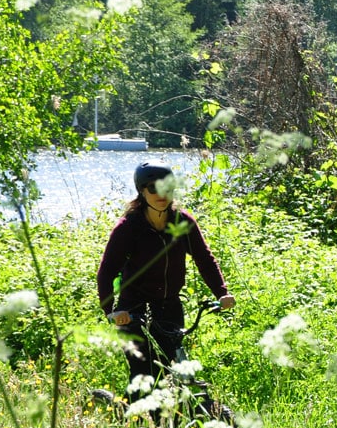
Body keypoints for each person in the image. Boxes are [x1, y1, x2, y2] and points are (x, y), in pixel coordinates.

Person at [96, 162, 235, 398]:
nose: (161, 195)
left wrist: (221, 293)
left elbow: (204, 259)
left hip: (169, 307)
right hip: (133, 310)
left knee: (173, 371)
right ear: (141, 190)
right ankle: (132, 424)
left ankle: (176, 426)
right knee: (144, 376)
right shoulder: (129, 228)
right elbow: (107, 271)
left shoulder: (183, 223)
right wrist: (111, 310)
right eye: (153, 188)